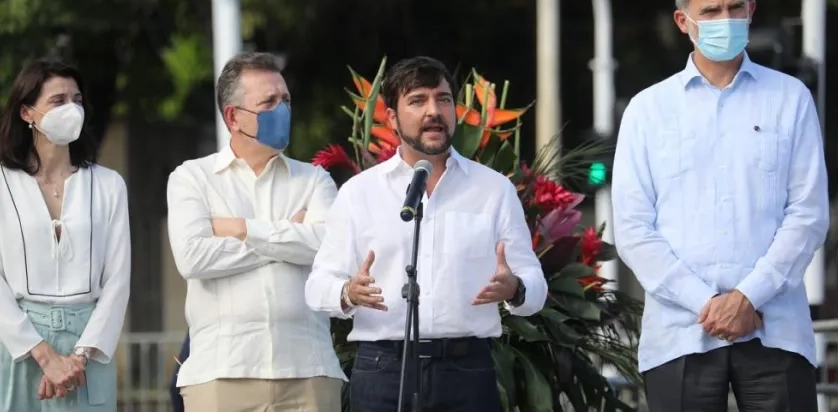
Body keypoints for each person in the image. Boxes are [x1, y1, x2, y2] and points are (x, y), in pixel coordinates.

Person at [612, 0, 829, 412]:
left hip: (775, 328)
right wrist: (705, 302)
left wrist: (749, 297)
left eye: (734, 8)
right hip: (679, 335)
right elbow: (633, 228)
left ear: (751, 11)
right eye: (710, 11)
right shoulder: (648, 111)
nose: (724, 20)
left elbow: (808, 213)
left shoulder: (790, 99)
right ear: (683, 20)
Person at [305, 56, 548, 411]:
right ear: (391, 118)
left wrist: (517, 288)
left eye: (443, 99)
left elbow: (535, 287)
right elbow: (316, 286)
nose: (434, 111)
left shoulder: (493, 190)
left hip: (467, 371)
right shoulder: (359, 193)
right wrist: (347, 292)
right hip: (383, 370)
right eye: (418, 100)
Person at [166, 51, 345, 412]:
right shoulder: (192, 178)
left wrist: (241, 229)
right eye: (270, 102)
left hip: (308, 371)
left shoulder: (315, 180)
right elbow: (193, 258)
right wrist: (288, 235)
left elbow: (330, 247)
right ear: (233, 117)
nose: (283, 110)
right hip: (222, 374)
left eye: (286, 100)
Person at [0, 58, 131, 411]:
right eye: (58, 101)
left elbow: (118, 281)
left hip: (87, 346)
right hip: (17, 343)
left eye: (77, 99)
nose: (71, 109)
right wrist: (44, 357)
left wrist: (77, 359)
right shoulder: (3, 184)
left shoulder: (108, 185)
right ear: (27, 113)